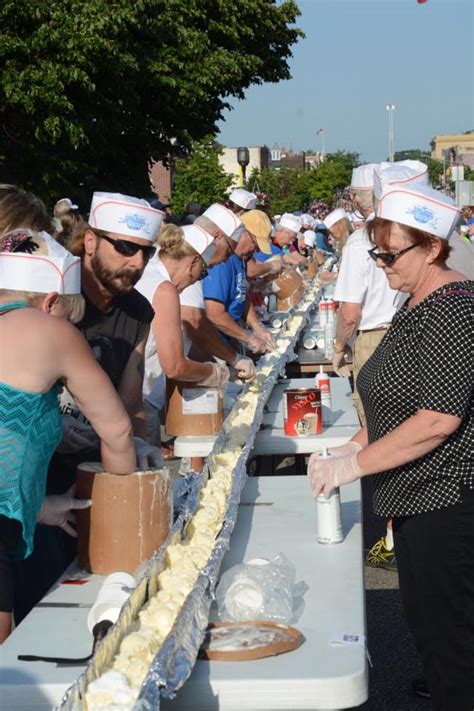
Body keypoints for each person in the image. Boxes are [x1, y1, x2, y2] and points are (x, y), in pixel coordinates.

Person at [308, 183, 473, 710]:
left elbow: (437, 419)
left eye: (390, 252)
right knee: (436, 630)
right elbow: (396, 403)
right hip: (419, 496)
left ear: (432, 248)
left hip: (447, 498)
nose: (380, 263)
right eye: (375, 252)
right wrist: (348, 445)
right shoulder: (415, 300)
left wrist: (354, 465)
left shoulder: (451, 308)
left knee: (453, 643)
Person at [12, 192, 163, 622]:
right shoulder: (46, 284)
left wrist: (140, 449)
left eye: (146, 253)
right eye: (126, 248)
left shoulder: (137, 311)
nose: (136, 263)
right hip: (32, 483)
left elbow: (130, 403)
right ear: (91, 241)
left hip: (93, 480)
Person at [0, 229, 135, 642]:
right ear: (51, 301)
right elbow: (117, 429)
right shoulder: (49, 328)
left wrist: (41, 507)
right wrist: (124, 530)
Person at [332, 162, 430, 571]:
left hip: (374, 338)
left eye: (389, 257)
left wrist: (338, 347)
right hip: (397, 330)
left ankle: (395, 535)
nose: (384, 263)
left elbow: (350, 311)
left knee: (390, 436)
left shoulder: (360, 242)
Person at [135, 223, 230, 448]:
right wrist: (214, 372)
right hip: (138, 400)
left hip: (138, 397)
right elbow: (175, 366)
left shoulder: (149, 273)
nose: (198, 280)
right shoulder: (162, 287)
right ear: (193, 262)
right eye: (202, 272)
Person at [203, 213, 276, 354]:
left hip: (230, 336)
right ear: (242, 234)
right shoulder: (222, 263)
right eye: (255, 244)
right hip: (215, 343)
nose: (255, 250)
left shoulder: (240, 258)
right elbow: (214, 314)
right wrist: (248, 338)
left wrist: (257, 326)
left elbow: (241, 293)